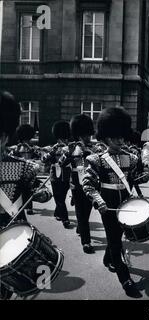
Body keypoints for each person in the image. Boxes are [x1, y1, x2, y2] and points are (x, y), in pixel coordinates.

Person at [82, 107, 142, 298]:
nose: (120, 140)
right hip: (107, 203)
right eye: (115, 137)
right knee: (116, 242)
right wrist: (98, 201)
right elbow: (88, 184)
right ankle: (126, 280)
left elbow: (135, 178)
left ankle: (108, 258)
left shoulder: (131, 158)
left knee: (117, 235)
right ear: (106, 138)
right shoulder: (96, 160)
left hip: (125, 202)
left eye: (121, 136)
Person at [0, 91, 52, 300]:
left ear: (3, 138)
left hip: (13, 233)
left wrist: (41, 194)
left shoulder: (21, 168)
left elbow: (43, 190)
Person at [58, 114, 98, 254]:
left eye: (88, 135)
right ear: (77, 134)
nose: (87, 138)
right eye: (84, 135)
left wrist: (88, 151)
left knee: (86, 211)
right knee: (81, 212)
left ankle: (81, 227)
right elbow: (61, 163)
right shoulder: (69, 148)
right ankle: (86, 242)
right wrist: (69, 153)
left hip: (91, 183)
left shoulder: (94, 148)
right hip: (76, 183)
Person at [41, 121, 72, 228]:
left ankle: (58, 213)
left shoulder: (70, 148)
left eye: (65, 138)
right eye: (61, 138)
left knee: (61, 197)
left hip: (66, 175)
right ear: (57, 138)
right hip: (54, 175)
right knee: (59, 197)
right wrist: (52, 152)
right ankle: (65, 218)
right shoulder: (51, 148)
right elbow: (43, 160)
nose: (63, 141)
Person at [9, 124, 41, 215]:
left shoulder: (33, 147)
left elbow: (39, 155)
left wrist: (31, 149)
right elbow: (11, 157)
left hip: (30, 170)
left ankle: (29, 207)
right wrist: (17, 149)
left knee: (30, 188)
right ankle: (22, 206)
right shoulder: (17, 147)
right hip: (20, 170)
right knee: (20, 189)